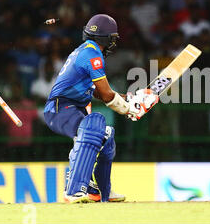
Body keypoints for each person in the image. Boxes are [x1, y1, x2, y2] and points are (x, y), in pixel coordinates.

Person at [43, 14, 158, 203]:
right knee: (95, 124)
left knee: (107, 135)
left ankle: (103, 192)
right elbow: (106, 95)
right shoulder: (92, 53)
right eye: (112, 39)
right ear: (106, 38)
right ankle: (73, 190)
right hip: (60, 108)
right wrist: (129, 109)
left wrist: (131, 98)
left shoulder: (86, 50)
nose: (113, 43)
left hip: (70, 108)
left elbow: (98, 91)